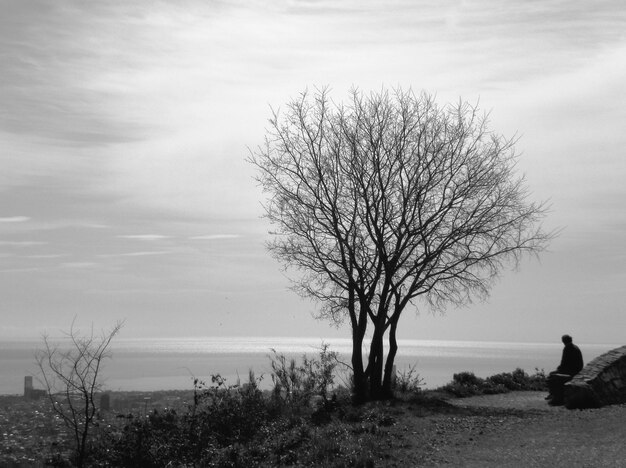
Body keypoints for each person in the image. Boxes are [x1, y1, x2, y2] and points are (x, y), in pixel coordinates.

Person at [546, 334, 584, 405]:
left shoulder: (567, 348)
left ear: (564, 341)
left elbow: (564, 362)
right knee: (554, 374)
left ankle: (555, 396)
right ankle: (553, 394)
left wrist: (559, 369)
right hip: (576, 370)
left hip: (571, 371)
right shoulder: (575, 347)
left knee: (552, 376)